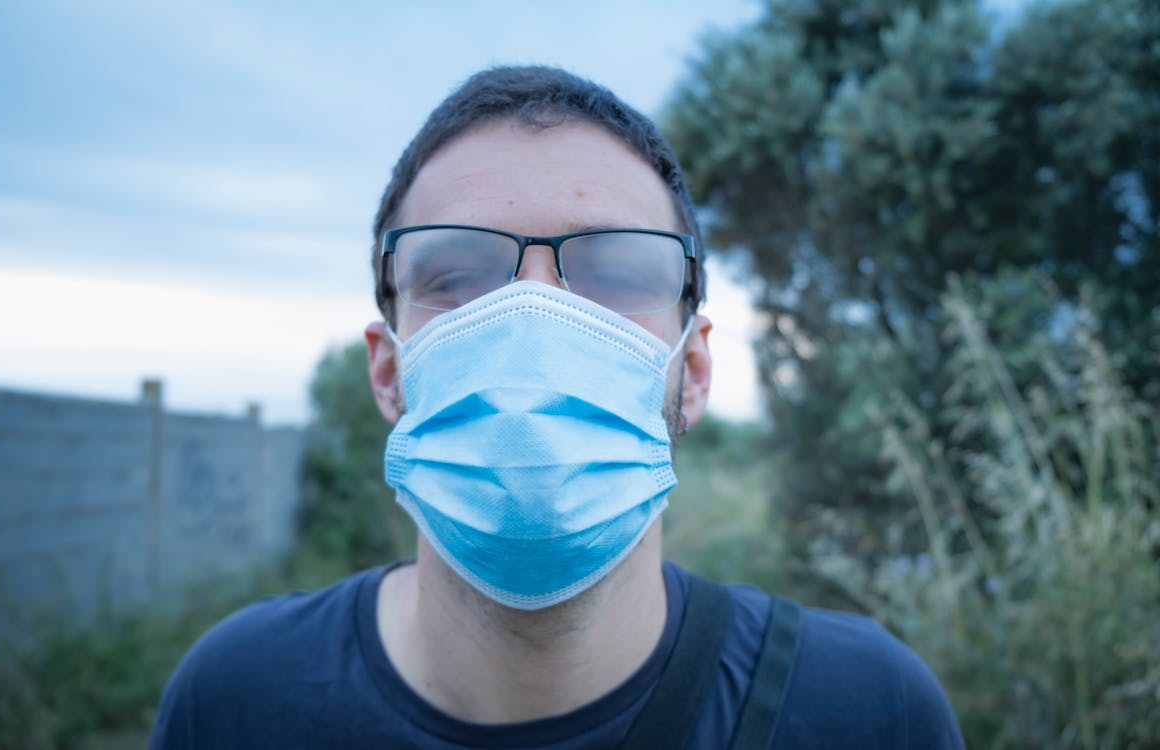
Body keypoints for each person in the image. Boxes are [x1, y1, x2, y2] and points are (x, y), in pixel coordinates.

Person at [151, 65, 965, 749]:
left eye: (616, 271)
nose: (531, 324)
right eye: (457, 278)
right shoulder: (235, 701)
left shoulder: (867, 711)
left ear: (696, 369)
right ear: (388, 370)